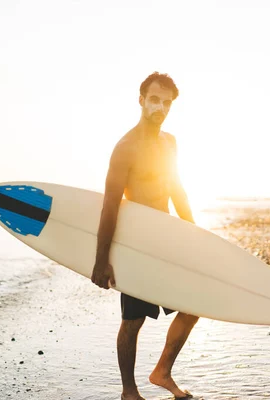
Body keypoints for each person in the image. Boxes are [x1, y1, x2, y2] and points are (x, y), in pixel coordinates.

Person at [91, 72, 198, 400]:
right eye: (155, 100)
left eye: (167, 103)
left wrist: (194, 233)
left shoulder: (170, 142)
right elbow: (110, 206)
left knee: (193, 305)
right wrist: (101, 262)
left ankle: (162, 371)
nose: (161, 107)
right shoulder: (125, 148)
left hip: (165, 239)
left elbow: (176, 188)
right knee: (134, 320)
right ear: (141, 100)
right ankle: (129, 391)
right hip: (137, 246)